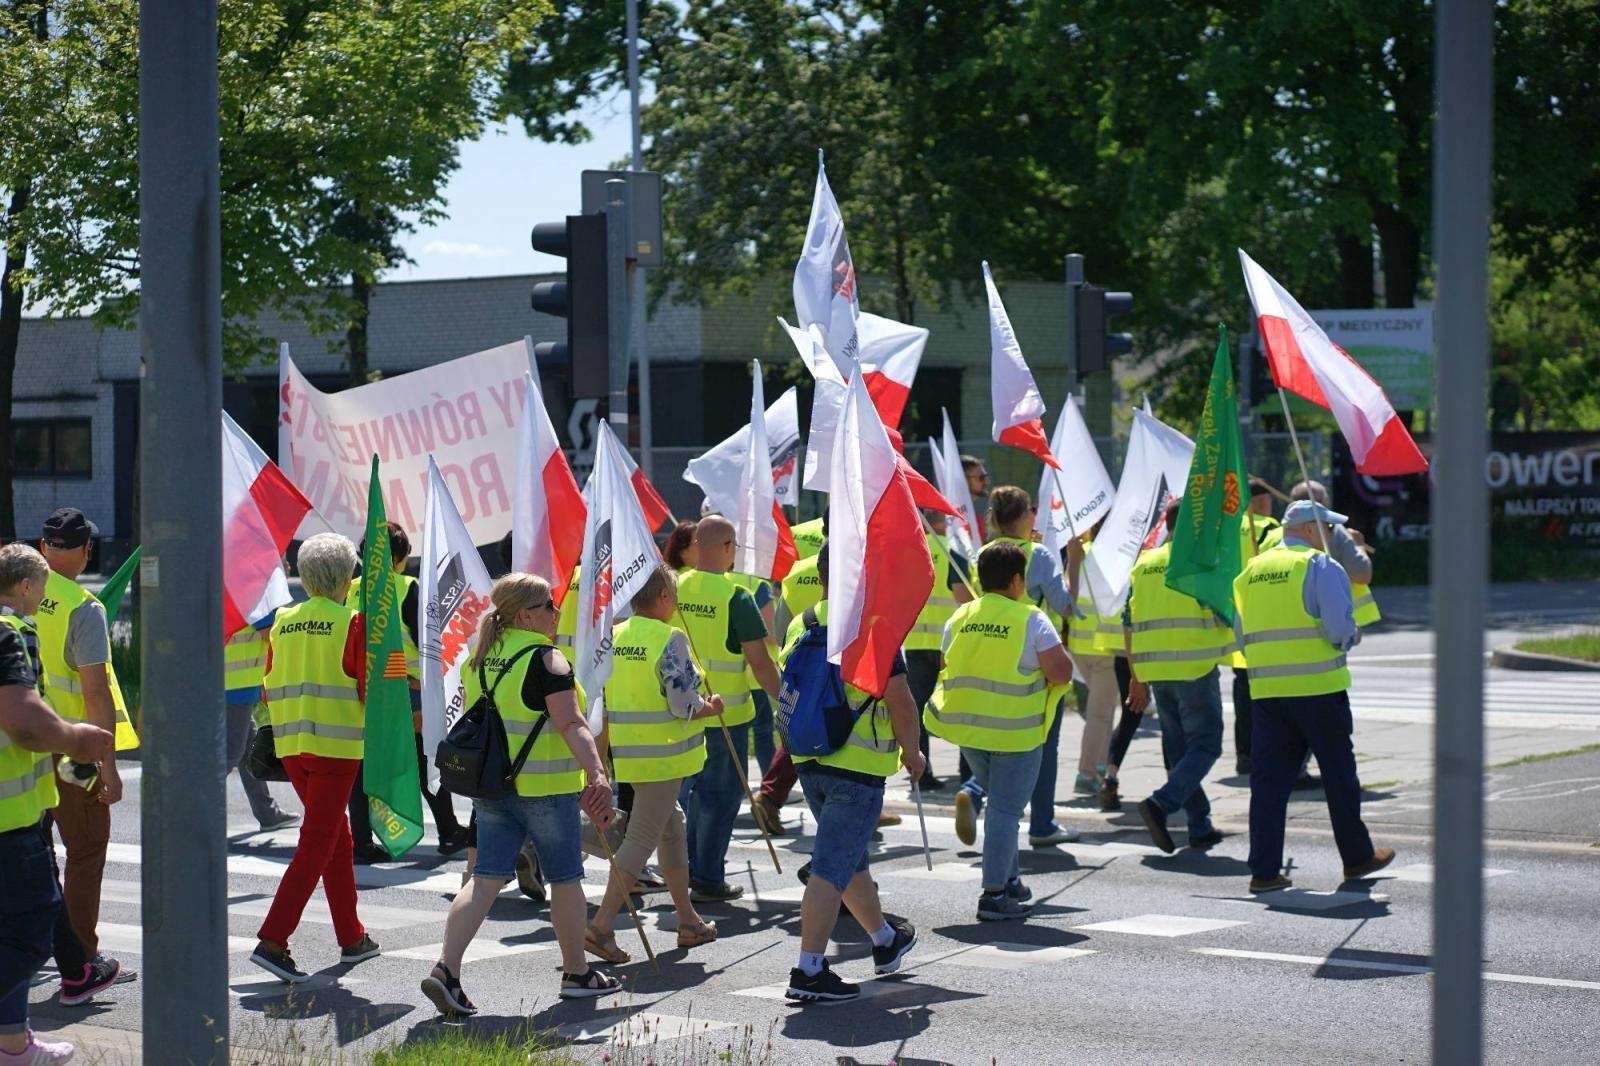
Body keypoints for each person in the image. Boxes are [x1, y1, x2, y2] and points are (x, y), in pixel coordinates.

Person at [420, 573, 618, 1015]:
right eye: (548, 605)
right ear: (526, 615)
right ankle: (576, 973)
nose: (556, 611)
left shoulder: (481, 655)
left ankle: (446, 969)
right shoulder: (548, 660)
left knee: (484, 880)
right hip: (547, 791)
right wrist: (597, 773)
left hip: (493, 789)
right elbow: (571, 723)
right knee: (565, 879)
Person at [784, 543, 922, 1002]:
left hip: (809, 759)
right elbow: (901, 701)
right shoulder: (873, 626)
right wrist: (913, 754)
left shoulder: (801, 623)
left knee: (848, 859)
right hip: (858, 765)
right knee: (829, 867)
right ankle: (809, 970)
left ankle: (885, 939)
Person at [1234, 500, 1394, 892]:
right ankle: (1357, 858)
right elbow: (1338, 628)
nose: (1331, 536)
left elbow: (1241, 634)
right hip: (1319, 690)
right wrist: (1351, 635)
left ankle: (1264, 872)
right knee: (1339, 777)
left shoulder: (1251, 570)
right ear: (1308, 529)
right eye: (1327, 528)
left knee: (1268, 786)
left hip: (1268, 694)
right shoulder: (1320, 565)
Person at [0, 545, 116, 1066]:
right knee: (31, 931)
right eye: (40, 587)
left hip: (23, 802)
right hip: (11, 814)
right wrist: (79, 741)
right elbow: (24, 722)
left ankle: (13, 1044)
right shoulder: (11, 631)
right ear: (26, 585)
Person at [249, 533, 380, 983]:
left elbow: (268, 687)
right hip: (336, 748)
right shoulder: (353, 623)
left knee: (336, 839)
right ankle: (273, 940)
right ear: (346, 579)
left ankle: (352, 937)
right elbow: (368, 689)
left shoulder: (283, 621)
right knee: (317, 844)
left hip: (291, 747)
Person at [584, 565, 725, 964]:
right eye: (674, 597)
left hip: (632, 755)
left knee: (672, 829)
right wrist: (710, 707)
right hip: (665, 756)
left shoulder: (616, 635)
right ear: (664, 597)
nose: (675, 604)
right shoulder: (669, 637)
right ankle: (600, 927)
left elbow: (603, 703)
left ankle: (688, 921)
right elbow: (682, 704)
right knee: (642, 839)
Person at [926, 541, 1074, 921]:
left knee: (999, 805)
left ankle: (1010, 880)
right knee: (1005, 811)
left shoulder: (960, 617)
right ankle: (993, 895)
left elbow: (946, 665)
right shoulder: (1031, 618)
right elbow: (1061, 673)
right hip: (1015, 732)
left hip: (970, 731)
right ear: (1017, 580)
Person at [33, 508, 132, 978]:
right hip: (71, 750)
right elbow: (96, 694)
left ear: (43, 547)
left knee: (33, 848)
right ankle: (81, 960)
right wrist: (108, 766)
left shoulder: (17, 594)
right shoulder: (82, 607)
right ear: (87, 550)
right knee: (87, 846)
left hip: (21, 745)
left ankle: (36, 944)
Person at [953, 487, 1077, 849]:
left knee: (995, 738)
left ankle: (974, 791)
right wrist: (1075, 564)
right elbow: (1066, 607)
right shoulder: (1038, 555)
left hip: (988, 653)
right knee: (1041, 745)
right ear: (1025, 516)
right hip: (1034, 654)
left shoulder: (985, 553)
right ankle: (1042, 823)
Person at [674, 516, 781, 902]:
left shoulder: (672, 588)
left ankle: (687, 869)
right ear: (727, 548)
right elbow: (761, 663)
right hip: (725, 716)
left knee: (689, 795)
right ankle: (707, 877)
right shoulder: (737, 596)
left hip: (680, 713)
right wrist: (787, 702)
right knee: (719, 799)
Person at [347, 522, 466, 861]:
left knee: (363, 767)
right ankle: (448, 831)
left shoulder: (351, 589)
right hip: (407, 692)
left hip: (365, 694)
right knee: (424, 761)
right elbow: (429, 646)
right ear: (399, 556)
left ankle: (362, 842)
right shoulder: (407, 588)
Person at [1126, 500, 1234, 854]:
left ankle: (1199, 824)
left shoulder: (1144, 564)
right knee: (1205, 745)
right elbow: (1222, 614)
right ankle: (1162, 802)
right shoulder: (1200, 563)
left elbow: (1128, 622)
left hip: (1157, 669)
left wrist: (1136, 676)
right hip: (1194, 667)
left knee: (1178, 751)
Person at [903, 510, 973, 792]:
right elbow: (963, 597)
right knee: (961, 704)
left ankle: (922, 772)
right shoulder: (952, 550)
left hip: (916, 641)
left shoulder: (911, 551)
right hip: (950, 643)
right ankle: (968, 772)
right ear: (942, 522)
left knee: (917, 709)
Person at [1064, 525, 1123, 799]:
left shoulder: (1080, 552)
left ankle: (1099, 766)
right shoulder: (1121, 555)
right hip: (1107, 647)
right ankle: (1085, 774)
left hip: (1080, 645)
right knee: (1100, 713)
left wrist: (1073, 561)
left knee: (1104, 709)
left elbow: (1069, 596)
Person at [224, 615, 298, 830]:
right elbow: (270, 633)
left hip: (231, 680)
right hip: (237, 683)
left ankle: (267, 813)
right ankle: (190, 813)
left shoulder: (237, 592)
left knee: (248, 748)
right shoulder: (256, 595)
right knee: (232, 752)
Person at [1231, 477, 1282, 775]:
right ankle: (1267, 752)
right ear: (1262, 502)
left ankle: (1244, 754)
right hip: (1263, 615)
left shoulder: (1226, 529)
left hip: (1233, 615)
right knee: (1267, 693)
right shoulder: (1268, 528)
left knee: (1242, 691)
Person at [959, 455, 991, 542]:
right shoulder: (941, 516)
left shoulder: (976, 519)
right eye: (981, 478)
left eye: (985, 477)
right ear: (964, 480)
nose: (986, 482)